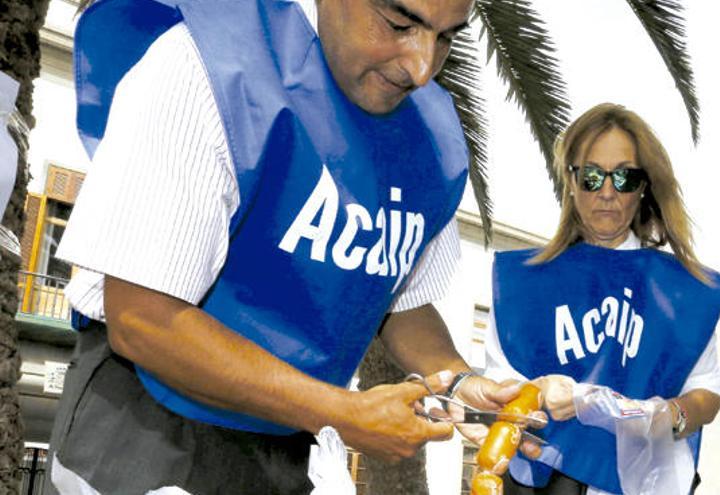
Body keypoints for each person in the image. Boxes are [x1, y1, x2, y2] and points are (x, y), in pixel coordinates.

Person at [46, 0, 525, 493]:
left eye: (446, 37)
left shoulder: (432, 139)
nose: (422, 69)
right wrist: (340, 411)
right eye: (400, 24)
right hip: (149, 423)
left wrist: (462, 382)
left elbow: (399, 297)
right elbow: (141, 319)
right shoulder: (207, 65)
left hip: (293, 436)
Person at [483, 103, 720, 495]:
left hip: (649, 482)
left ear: (644, 186)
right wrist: (535, 391)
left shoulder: (684, 290)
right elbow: (496, 380)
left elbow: (708, 391)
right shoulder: (523, 281)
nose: (608, 192)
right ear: (571, 181)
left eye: (625, 178)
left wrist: (669, 416)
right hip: (546, 482)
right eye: (593, 176)